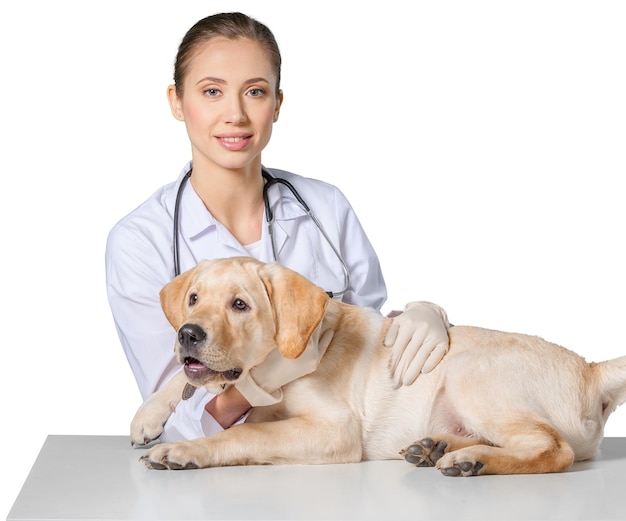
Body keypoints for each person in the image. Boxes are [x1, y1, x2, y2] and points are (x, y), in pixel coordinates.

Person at [105, 11, 451, 442]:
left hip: (336, 464)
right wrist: (258, 384)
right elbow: (173, 425)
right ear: (177, 101)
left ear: (277, 104)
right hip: (219, 486)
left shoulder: (325, 208)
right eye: (212, 91)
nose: (235, 114)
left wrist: (420, 318)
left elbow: (369, 356)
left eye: (254, 92)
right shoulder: (141, 241)